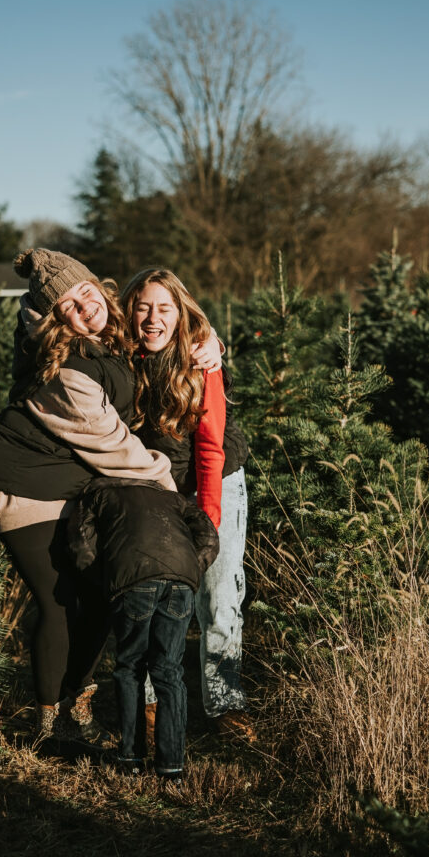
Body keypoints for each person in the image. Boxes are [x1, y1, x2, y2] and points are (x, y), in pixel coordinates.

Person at [0, 248, 177, 743]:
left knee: (99, 601)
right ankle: (48, 725)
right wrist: (169, 487)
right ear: (54, 319)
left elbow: (168, 317)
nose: (85, 308)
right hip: (24, 489)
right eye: (68, 305)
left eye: (86, 294)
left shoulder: (110, 334)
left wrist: (209, 343)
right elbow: (111, 445)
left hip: (69, 485)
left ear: (98, 288)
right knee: (62, 603)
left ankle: (76, 705)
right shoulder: (66, 369)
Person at [121, 268, 254, 742]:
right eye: (142, 307)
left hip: (215, 481)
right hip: (157, 491)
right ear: (128, 312)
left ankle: (224, 703)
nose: (152, 319)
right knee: (153, 598)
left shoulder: (202, 358)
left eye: (164, 308)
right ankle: (153, 704)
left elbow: (212, 447)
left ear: (181, 314)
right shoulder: (119, 357)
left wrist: (210, 522)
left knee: (219, 598)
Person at [68, 477, 218, 782]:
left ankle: (132, 760)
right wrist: (191, 567)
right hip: (181, 581)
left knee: (130, 667)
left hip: (132, 581)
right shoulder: (171, 497)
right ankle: (172, 769)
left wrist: (108, 578)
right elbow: (209, 536)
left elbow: (80, 543)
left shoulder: (96, 493)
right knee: (169, 670)